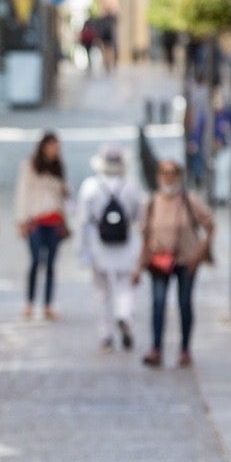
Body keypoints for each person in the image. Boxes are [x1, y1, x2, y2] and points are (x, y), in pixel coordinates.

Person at [135, 158, 216, 369]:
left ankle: (185, 348)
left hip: (185, 261)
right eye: (164, 173)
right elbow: (145, 236)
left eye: (172, 173)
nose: (168, 177)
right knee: (159, 303)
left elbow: (210, 225)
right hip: (159, 261)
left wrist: (199, 254)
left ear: (179, 176)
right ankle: (156, 348)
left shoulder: (190, 201)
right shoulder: (151, 203)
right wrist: (139, 265)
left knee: (184, 303)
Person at [75, 146, 144, 351]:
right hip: (125, 244)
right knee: (124, 286)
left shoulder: (91, 187)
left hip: (99, 245)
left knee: (102, 292)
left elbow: (82, 221)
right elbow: (139, 216)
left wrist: (82, 251)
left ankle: (106, 335)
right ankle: (124, 316)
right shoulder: (131, 186)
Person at [15, 132, 71, 322]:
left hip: (54, 220)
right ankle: (30, 302)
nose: (56, 150)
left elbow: (64, 197)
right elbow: (22, 192)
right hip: (36, 220)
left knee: (51, 265)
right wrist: (21, 220)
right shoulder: (29, 166)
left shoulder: (59, 167)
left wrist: (65, 221)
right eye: (53, 146)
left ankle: (48, 304)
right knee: (35, 260)